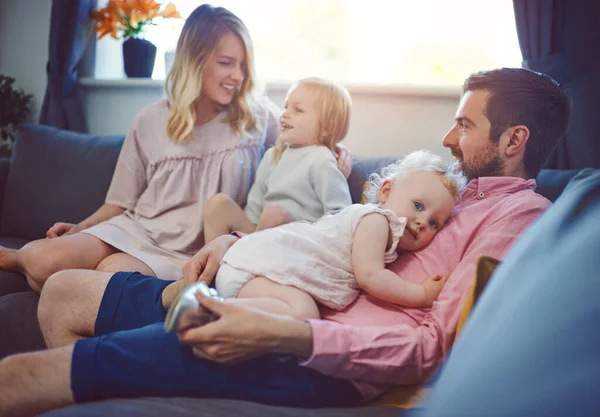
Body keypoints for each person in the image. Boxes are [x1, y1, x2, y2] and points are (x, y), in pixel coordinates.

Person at [0, 67, 571, 416]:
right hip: (278, 287)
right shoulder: (449, 190)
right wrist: (233, 246)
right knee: (63, 292)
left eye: (466, 125)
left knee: (23, 375)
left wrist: (285, 333)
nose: (447, 137)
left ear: (514, 138)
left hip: (308, 351)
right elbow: (335, 231)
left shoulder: (517, 219)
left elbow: (431, 348)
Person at [0, 5, 350, 293]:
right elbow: (118, 203)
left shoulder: (256, 117)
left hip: (189, 251)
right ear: (194, 60)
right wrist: (81, 226)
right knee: (42, 262)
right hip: (136, 229)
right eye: (226, 62)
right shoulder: (150, 120)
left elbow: (306, 139)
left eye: (243, 65)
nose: (238, 76)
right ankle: (13, 258)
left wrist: (336, 154)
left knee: (98, 278)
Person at [173, 150, 463, 322]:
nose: (423, 222)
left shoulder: (377, 228)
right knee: (303, 314)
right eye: (418, 206)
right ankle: (208, 308)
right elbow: (371, 277)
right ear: (386, 192)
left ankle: (211, 305)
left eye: (436, 223)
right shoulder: (376, 220)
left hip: (261, 272)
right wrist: (422, 294)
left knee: (299, 312)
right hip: (259, 270)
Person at [202, 77, 353, 245]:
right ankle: (215, 263)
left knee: (275, 214)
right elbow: (254, 206)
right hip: (260, 233)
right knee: (218, 204)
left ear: (327, 128)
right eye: (286, 106)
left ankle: (245, 260)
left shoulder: (322, 160)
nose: (285, 114)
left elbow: (342, 216)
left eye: (298, 110)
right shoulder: (273, 155)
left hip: (301, 241)